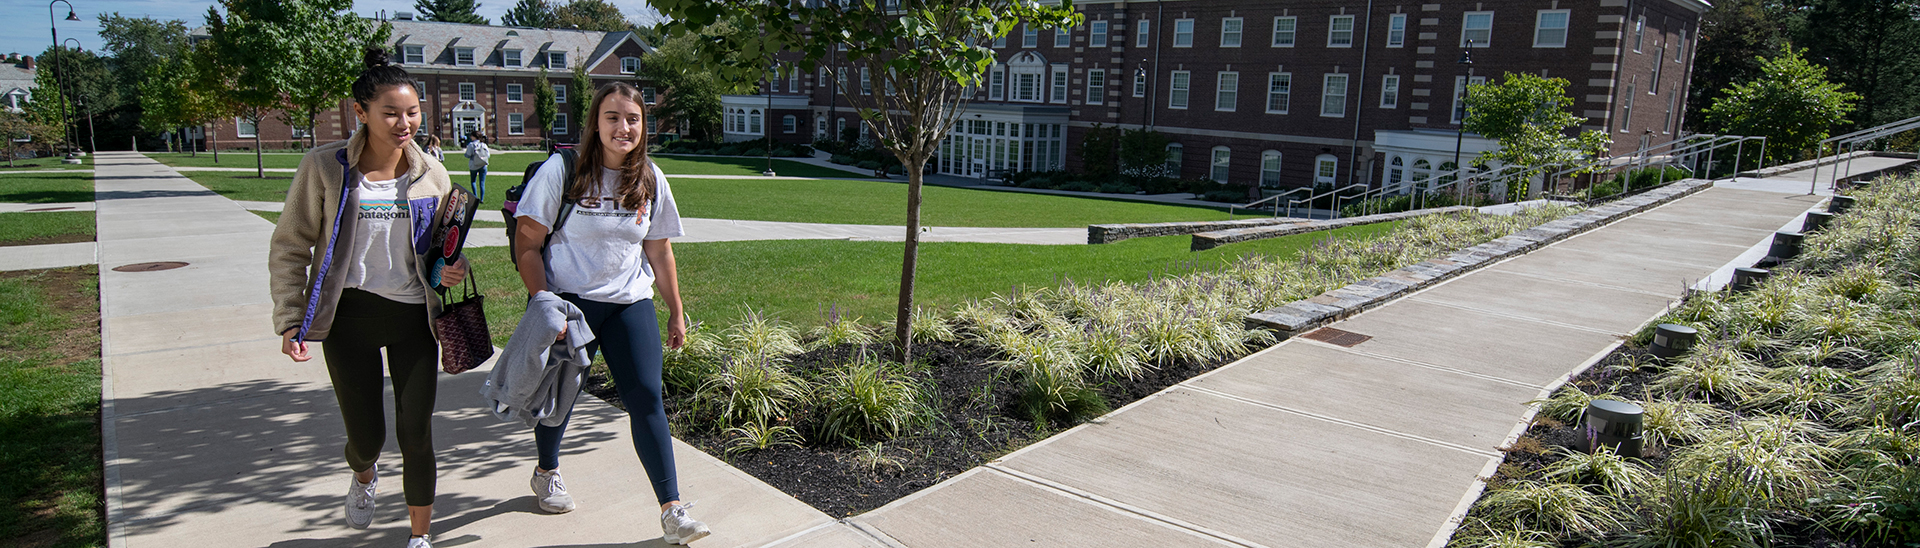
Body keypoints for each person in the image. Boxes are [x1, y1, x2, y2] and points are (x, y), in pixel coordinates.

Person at [268, 47, 466, 548]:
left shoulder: (432, 174)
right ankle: (363, 474)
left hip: (411, 319)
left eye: (413, 111)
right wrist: (291, 318)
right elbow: (291, 244)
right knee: (367, 439)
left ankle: (419, 537)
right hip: (348, 320)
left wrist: (452, 267)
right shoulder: (326, 167)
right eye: (392, 113)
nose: (406, 123)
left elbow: (441, 252)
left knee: (416, 432)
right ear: (361, 113)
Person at [511, 82, 710, 545]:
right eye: (613, 118)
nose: (624, 127)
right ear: (595, 123)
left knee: (646, 397)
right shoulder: (563, 171)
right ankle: (547, 471)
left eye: (633, 119)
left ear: (644, 125)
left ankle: (672, 508)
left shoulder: (650, 178)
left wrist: (676, 311)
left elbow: (659, 251)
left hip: (628, 302)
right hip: (568, 303)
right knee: (560, 397)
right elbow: (527, 242)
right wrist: (546, 305)